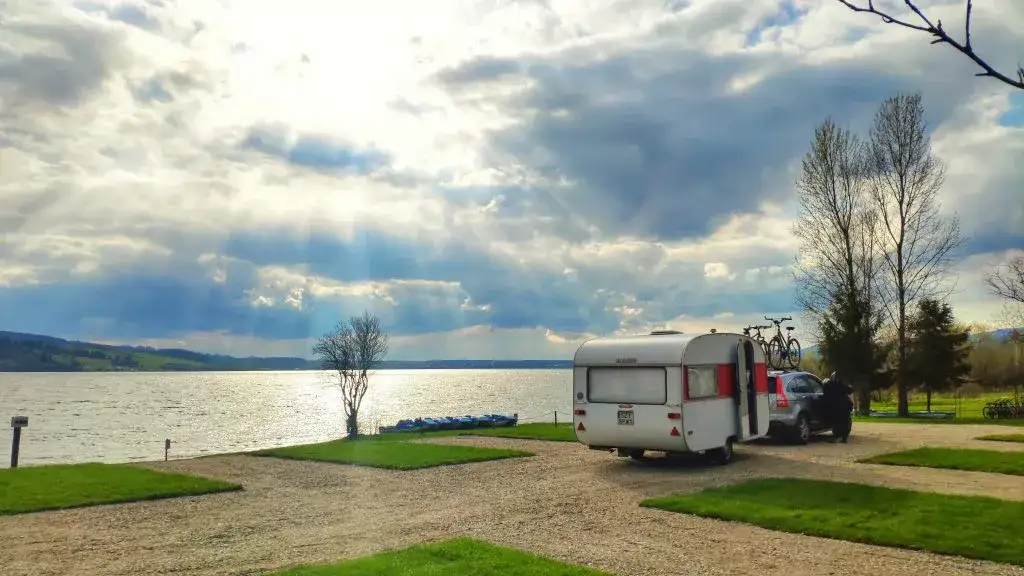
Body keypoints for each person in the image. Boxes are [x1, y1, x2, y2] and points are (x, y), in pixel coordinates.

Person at [822, 371, 854, 443]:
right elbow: (850, 390)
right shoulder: (841, 385)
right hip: (842, 408)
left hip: (831, 408)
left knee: (835, 422)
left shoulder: (827, 385)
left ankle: (836, 437)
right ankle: (843, 438)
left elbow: (824, 390)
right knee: (845, 422)